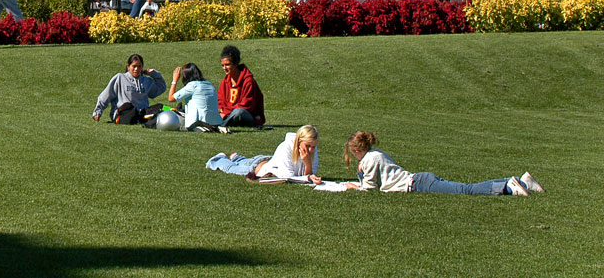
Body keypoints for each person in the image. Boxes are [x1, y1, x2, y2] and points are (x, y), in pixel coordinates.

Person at [342, 131, 541, 196]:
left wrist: (354, 185)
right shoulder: (376, 154)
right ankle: (522, 181)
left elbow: (370, 188)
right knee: (464, 187)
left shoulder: (370, 160)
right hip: (420, 179)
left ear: (357, 150)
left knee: (466, 190)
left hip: (417, 184)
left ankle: (508, 186)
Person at [205, 125, 322, 184]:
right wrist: (308, 175)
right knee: (231, 168)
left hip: (269, 160)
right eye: (308, 146)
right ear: (299, 141)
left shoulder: (312, 151)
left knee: (244, 162)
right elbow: (288, 176)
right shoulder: (286, 147)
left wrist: (308, 165)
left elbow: (311, 176)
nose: (311, 150)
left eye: (313, 147)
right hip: (259, 168)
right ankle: (218, 159)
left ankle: (237, 158)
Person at [93, 54, 167, 123]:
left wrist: (154, 73)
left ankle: (174, 112)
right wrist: (97, 112)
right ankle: (141, 118)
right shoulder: (120, 78)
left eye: (139, 66)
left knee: (160, 107)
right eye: (134, 66)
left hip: (141, 112)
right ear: (128, 66)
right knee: (128, 106)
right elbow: (106, 95)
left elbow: (162, 87)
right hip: (124, 111)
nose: (136, 69)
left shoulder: (146, 81)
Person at [217, 45, 265, 127]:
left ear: (235, 64)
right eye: (223, 65)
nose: (224, 68)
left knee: (239, 112)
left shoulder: (248, 81)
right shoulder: (224, 82)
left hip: (249, 116)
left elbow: (247, 105)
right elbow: (220, 101)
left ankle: (220, 125)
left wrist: (226, 112)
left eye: (227, 65)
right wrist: (221, 112)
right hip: (228, 114)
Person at [167, 63, 222, 130]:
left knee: (172, 117)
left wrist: (174, 80)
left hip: (198, 121)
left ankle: (199, 128)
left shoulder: (192, 86)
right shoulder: (209, 84)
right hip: (216, 121)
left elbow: (171, 98)